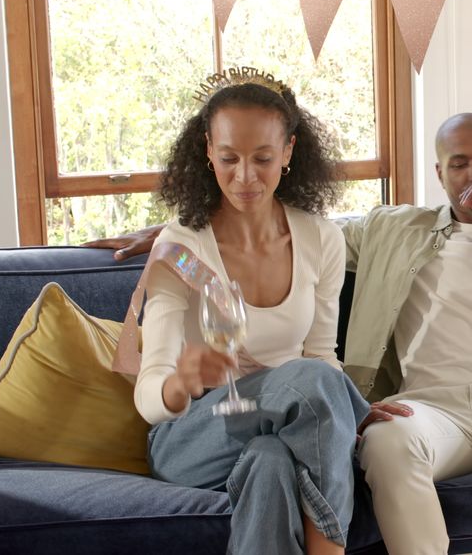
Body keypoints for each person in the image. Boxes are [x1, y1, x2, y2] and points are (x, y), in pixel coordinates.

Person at [88, 113, 472, 555]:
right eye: (460, 162)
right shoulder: (391, 228)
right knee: (385, 444)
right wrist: (178, 232)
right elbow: (280, 231)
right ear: (439, 172)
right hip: (428, 406)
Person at [128, 71, 369, 555]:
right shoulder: (181, 247)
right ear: (207, 151)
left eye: (262, 158)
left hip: (286, 426)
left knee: (270, 460)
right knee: (317, 383)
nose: (244, 176)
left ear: (288, 152)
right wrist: (180, 383)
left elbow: (321, 355)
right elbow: (148, 395)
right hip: (192, 437)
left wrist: (341, 409)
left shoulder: (321, 239)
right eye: (228, 158)